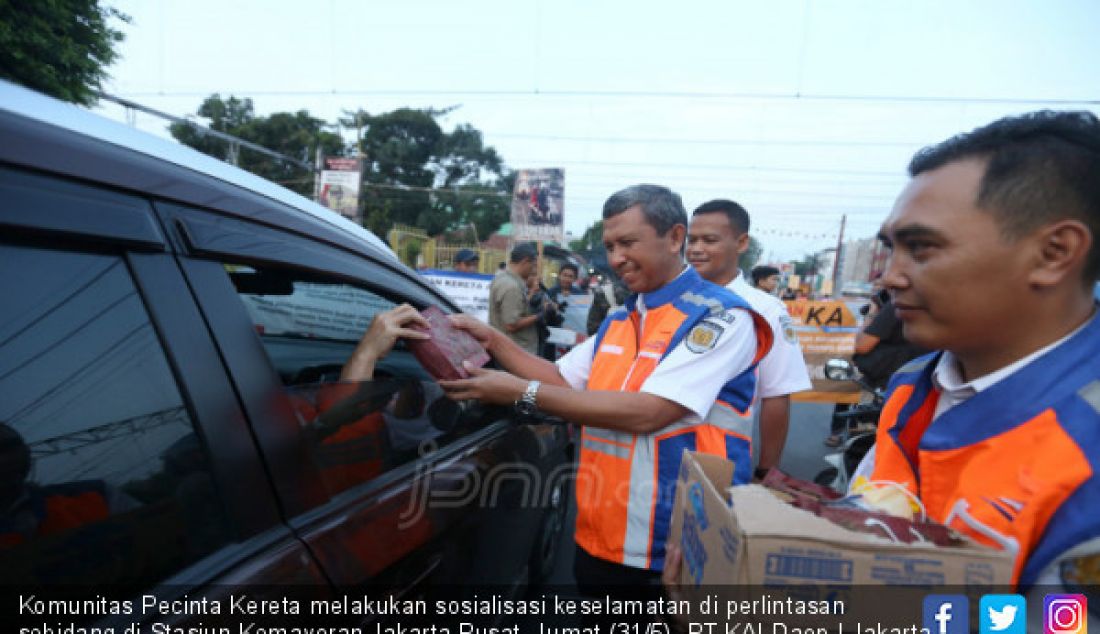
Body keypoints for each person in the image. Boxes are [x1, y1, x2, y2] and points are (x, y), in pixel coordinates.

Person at [437, 184, 772, 604]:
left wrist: (519, 393)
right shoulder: (624, 318)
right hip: (601, 537)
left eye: (628, 243)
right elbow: (562, 378)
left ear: (674, 237)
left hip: (673, 548)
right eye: (610, 245)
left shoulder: (720, 316)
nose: (616, 259)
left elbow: (649, 412)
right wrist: (492, 340)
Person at [687, 200, 812, 480]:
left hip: (718, 463)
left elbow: (776, 393)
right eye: (692, 240)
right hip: (656, 455)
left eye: (709, 240)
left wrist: (767, 471)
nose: (696, 249)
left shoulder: (765, 310)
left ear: (741, 243)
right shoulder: (674, 301)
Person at [488, 243, 540, 354]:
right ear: (525, 262)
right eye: (533, 265)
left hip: (504, 347)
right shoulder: (512, 287)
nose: (533, 270)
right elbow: (511, 325)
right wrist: (539, 316)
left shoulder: (502, 278)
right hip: (513, 350)